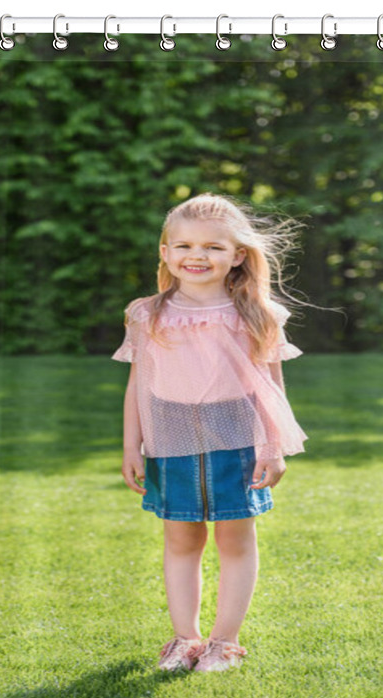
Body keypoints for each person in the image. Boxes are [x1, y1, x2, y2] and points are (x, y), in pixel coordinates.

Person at [113, 193, 307, 673]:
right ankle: (185, 640)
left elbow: (270, 386)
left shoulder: (254, 313)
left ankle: (225, 642)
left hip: (237, 439)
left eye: (212, 248)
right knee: (181, 540)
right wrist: (130, 445)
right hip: (170, 439)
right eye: (183, 246)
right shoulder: (147, 314)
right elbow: (139, 383)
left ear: (237, 255)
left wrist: (273, 447)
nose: (196, 256)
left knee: (235, 541)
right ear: (165, 253)